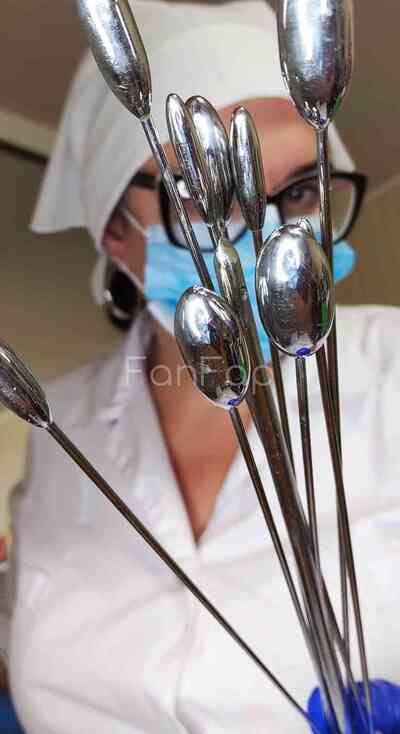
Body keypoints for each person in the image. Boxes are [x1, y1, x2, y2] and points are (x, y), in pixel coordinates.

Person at [5, 1, 400, 732]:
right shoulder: (59, 428)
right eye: (199, 196)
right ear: (114, 232)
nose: (271, 231)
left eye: (300, 191)